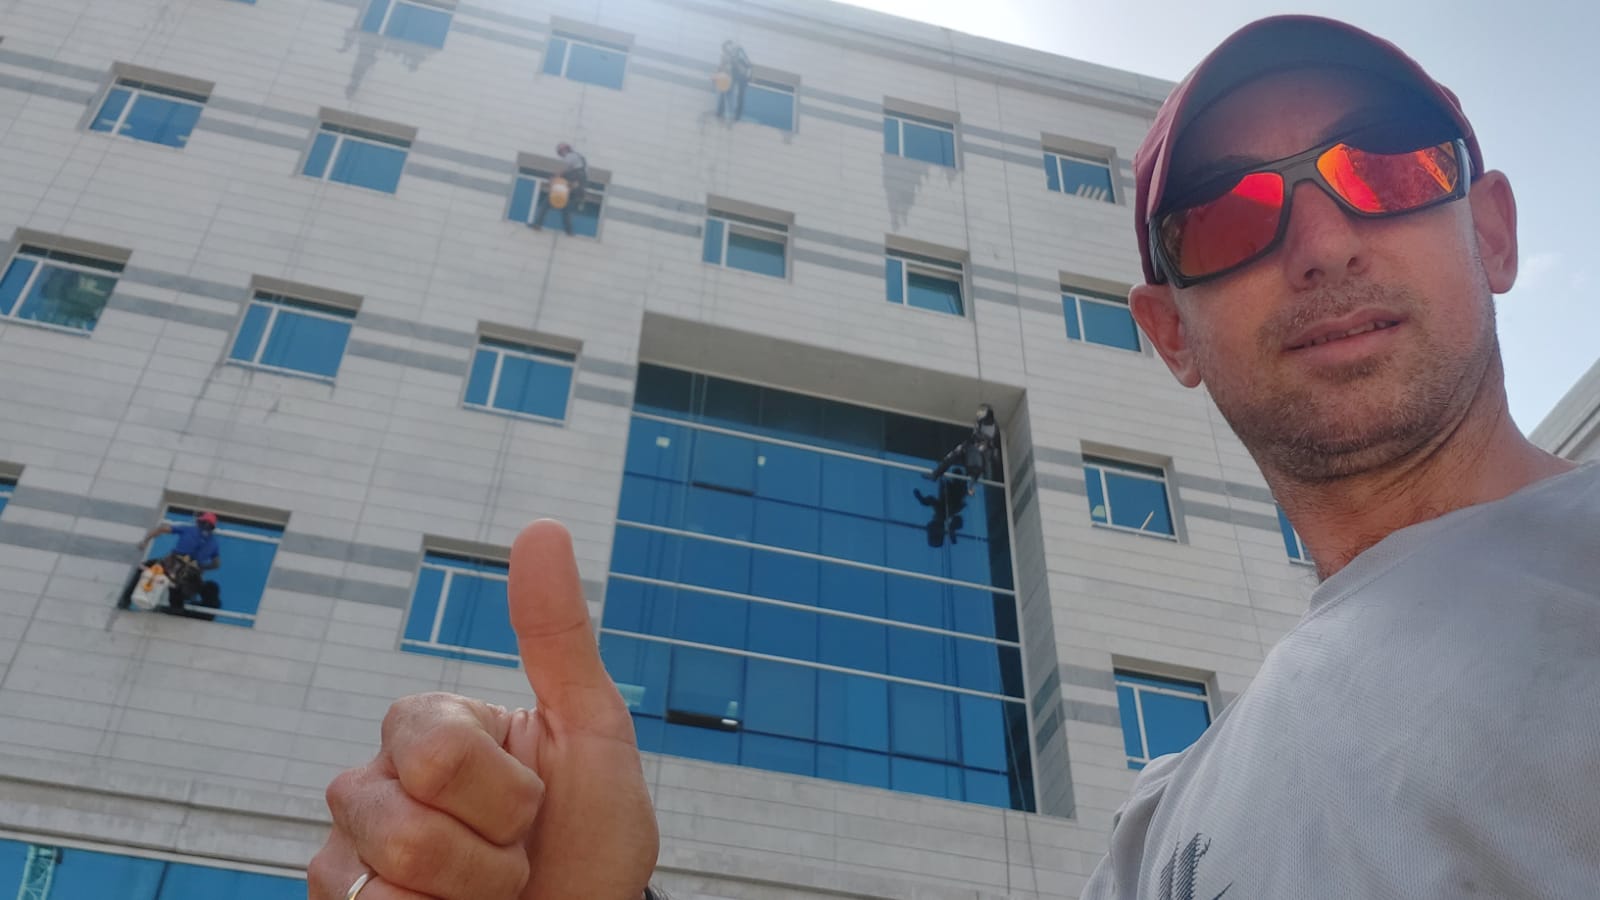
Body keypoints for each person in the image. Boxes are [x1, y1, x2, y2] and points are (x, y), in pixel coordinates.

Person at [308, 16, 1598, 900]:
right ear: (1170, 334)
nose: (1319, 242)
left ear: (1491, 232)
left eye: (1383, 170)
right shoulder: (1163, 832)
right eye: (1230, 215)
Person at [117, 511, 222, 618]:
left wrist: (145, 541)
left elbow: (162, 528)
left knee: (144, 568)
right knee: (176, 587)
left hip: (173, 564)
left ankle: (125, 600)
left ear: (199, 522)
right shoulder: (214, 543)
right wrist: (201, 567)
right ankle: (175, 610)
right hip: (190, 573)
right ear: (212, 527)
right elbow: (216, 564)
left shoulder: (189, 529)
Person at [930, 404, 1001, 494]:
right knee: (953, 455)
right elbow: (974, 437)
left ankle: (971, 486)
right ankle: (935, 474)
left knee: (977, 466)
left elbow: (987, 441)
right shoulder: (979, 423)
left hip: (980, 453)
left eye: (982, 411)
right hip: (972, 449)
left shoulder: (991, 426)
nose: (978, 413)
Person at [530, 142, 588, 236]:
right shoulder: (581, 160)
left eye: (561, 152)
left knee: (547, 202)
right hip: (577, 187)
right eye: (560, 153)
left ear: (565, 149)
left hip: (572, 183)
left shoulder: (571, 156)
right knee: (566, 208)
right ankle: (569, 231)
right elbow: (579, 176)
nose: (561, 154)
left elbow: (564, 169)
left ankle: (537, 224)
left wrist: (554, 178)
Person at [913, 477, 967, 547]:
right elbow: (932, 501)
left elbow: (932, 501)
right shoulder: (944, 514)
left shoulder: (942, 513)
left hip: (952, 491)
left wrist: (921, 499)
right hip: (954, 492)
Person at [715, 39, 752, 121]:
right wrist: (718, 73)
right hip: (734, 74)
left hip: (743, 76)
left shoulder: (738, 51)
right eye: (725, 50)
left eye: (727, 49)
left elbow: (748, 65)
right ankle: (720, 112)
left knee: (740, 96)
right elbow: (722, 65)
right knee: (725, 90)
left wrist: (748, 75)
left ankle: (737, 116)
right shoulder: (726, 54)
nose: (726, 51)